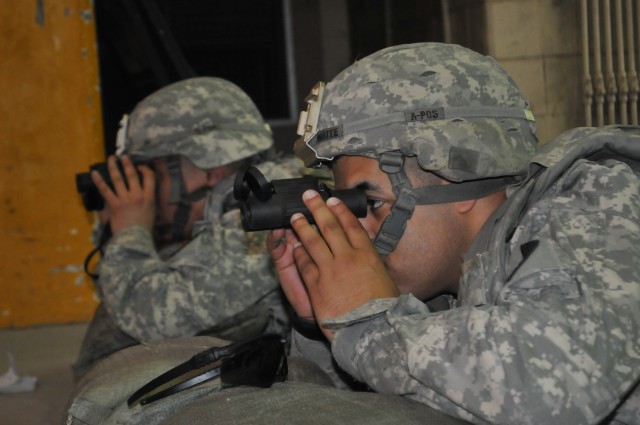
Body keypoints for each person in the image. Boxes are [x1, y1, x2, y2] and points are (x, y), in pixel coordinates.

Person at [268, 42, 640, 424]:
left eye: (371, 204)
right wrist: (319, 323)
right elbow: (373, 409)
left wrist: (366, 323)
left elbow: (557, 389)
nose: (355, 232)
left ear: (456, 174)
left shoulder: (592, 202)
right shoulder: (447, 280)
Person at [73, 76, 303, 380]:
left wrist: (129, 233)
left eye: (152, 172)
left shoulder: (263, 216)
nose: (146, 188)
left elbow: (150, 318)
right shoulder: (255, 195)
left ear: (209, 171)